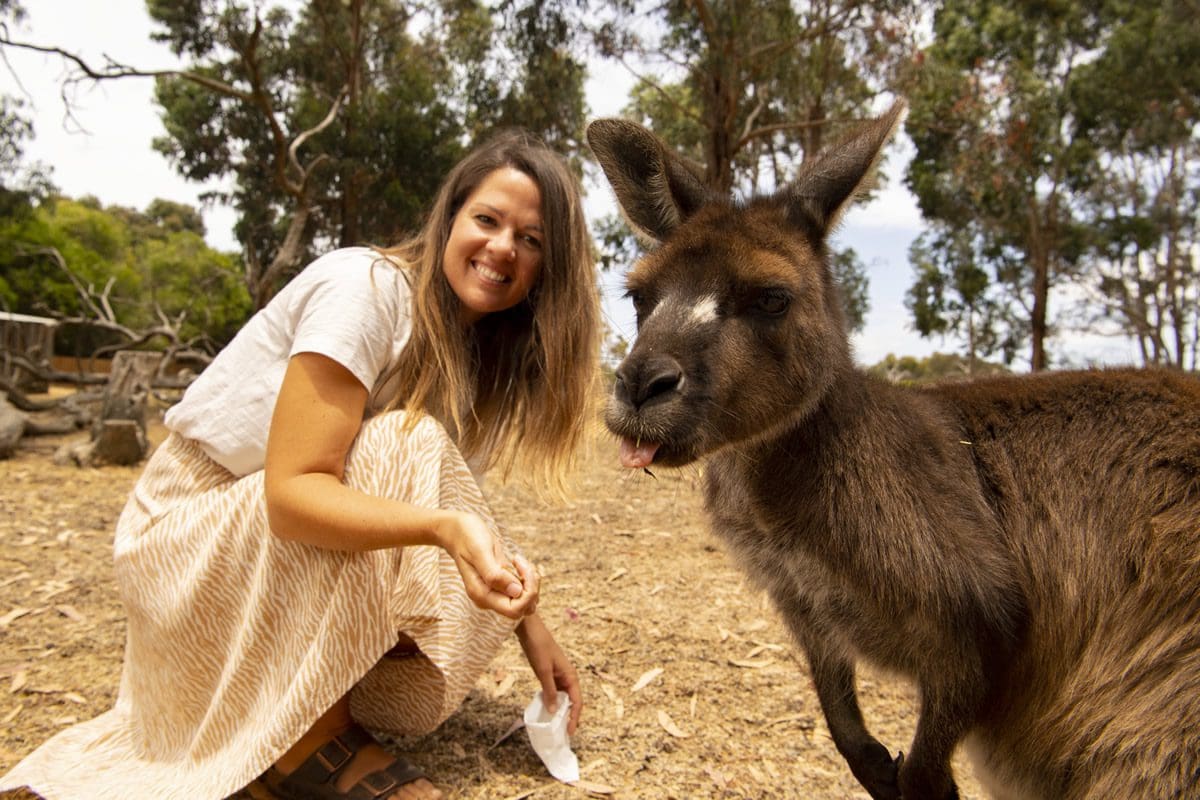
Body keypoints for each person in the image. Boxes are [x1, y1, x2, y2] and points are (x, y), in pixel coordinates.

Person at [0, 128, 600, 800]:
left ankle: (277, 716)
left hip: (262, 554)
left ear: (549, 268)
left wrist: (528, 625)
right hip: (186, 536)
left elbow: (448, 505)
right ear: (449, 219)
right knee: (408, 446)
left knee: (426, 491)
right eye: (486, 220)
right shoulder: (367, 289)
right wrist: (441, 530)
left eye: (532, 240)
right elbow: (292, 495)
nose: (502, 249)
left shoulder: (476, 359)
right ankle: (307, 744)